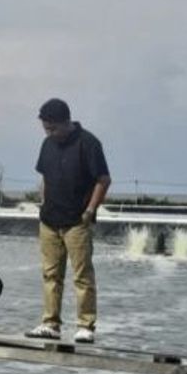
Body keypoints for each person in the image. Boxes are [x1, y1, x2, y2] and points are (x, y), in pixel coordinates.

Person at [26, 98, 112, 344]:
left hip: (77, 221)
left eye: (53, 128)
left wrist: (90, 211)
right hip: (49, 220)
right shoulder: (47, 144)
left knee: (82, 274)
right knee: (50, 274)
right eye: (46, 129)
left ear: (66, 122)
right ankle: (50, 323)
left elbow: (103, 180)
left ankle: (86, 325)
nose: (49, 133)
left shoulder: (89, 143)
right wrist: (43, 202)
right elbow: (44, 177)